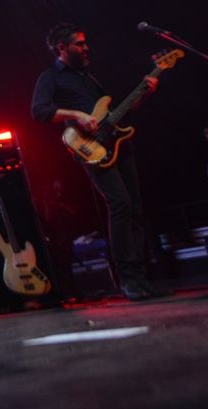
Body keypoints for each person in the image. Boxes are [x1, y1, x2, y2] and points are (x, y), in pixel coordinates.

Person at [30, 22, 168, 301]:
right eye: (79, 43)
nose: (85, 47)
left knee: (136, 210)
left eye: (85, 42)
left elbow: (117, 111)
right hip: (90, 147)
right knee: (120, 204)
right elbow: (39, 110)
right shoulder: (51, 77)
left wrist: (146, 92)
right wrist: (78, 116)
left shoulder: (89, 77)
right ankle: (127, 277)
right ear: (61, 47)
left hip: (118, 143)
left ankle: (141, 278)